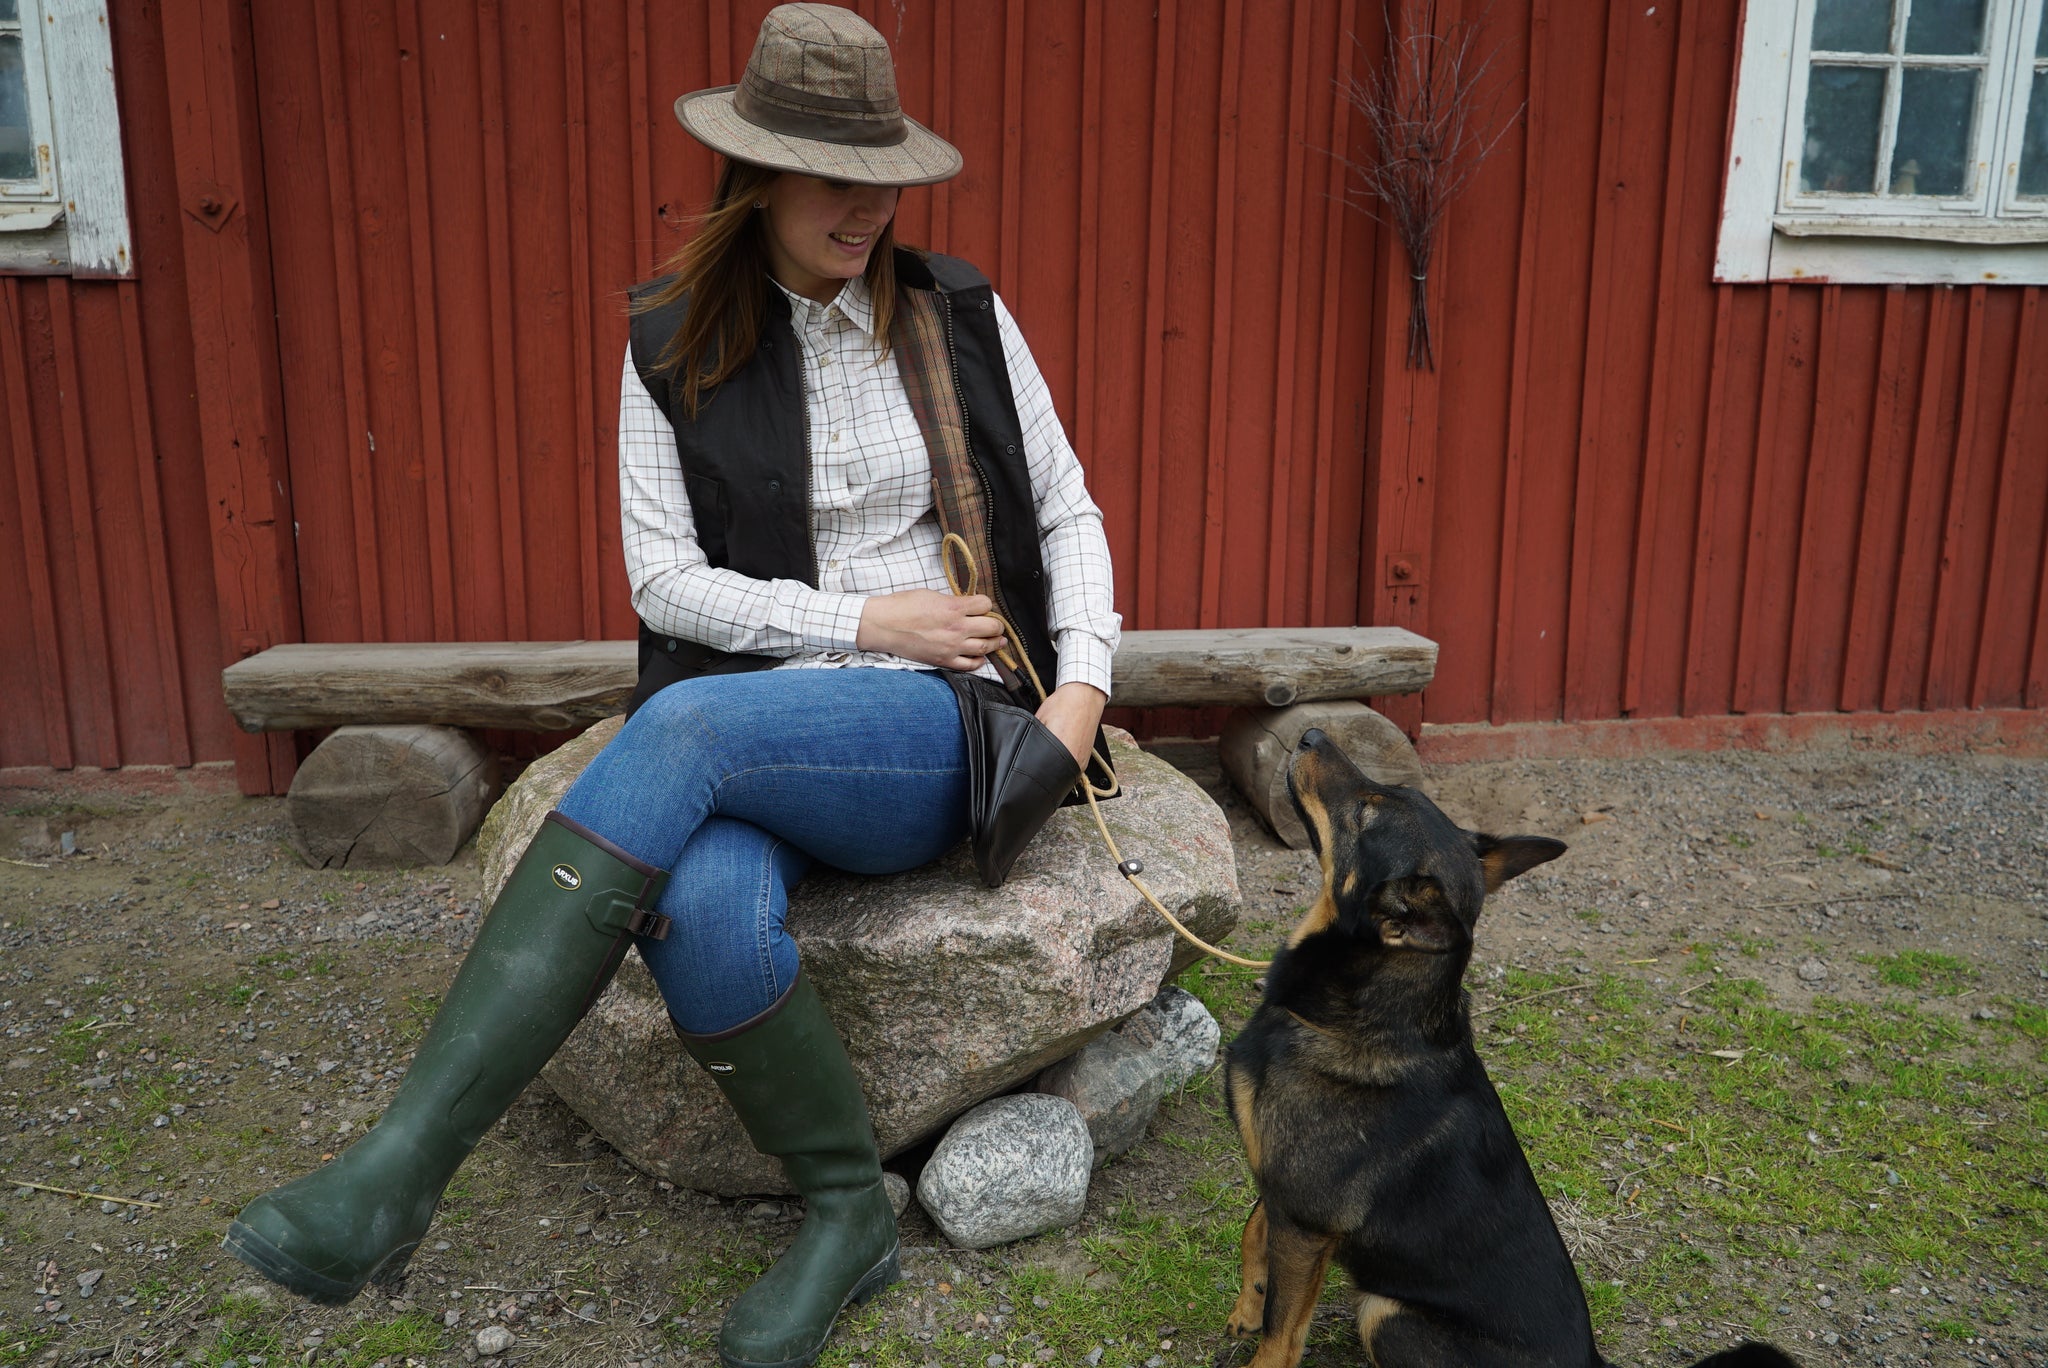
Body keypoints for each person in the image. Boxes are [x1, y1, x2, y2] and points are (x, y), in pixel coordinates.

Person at [223, 7, 1121, 1368]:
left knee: (683, 722)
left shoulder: (957, 314)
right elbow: (666, 585)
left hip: (944, 720)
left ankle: (399, 1172)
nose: (868, 210)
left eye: (882, 180)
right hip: (768, 720)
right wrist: (857, 616)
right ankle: (846, 1215)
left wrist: (1082, 692)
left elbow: (1067, 510)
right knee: (697, 905)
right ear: (755, 175)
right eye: (832, 180)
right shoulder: (669, 339)